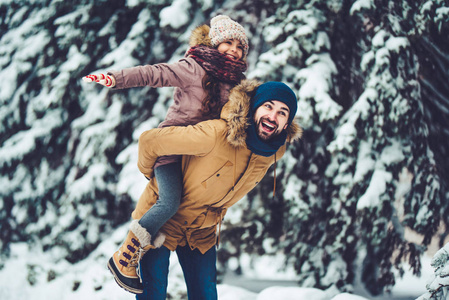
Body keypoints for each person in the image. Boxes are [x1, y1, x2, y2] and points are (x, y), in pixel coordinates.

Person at [82, 15, 249, 294]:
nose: (233, 50)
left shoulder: (233, 84)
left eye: (240, 46)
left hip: (196, 158)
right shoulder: (193, 67)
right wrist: (115, 78)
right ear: (215, 42)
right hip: (171, 149)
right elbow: (154, 73)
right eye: (228, 42)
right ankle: (124, 258)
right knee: (170, 201)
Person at [134, 80, 303, 299]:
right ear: (254, 107)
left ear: (288, 122)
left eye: (282, 112)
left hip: (200, 230)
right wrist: (157, 181)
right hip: (162, 221)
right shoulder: (217, 134)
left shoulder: (274, 151)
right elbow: (150, 142)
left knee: (205, 295)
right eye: (268, 106)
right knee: (153, 294)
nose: (273, 116)